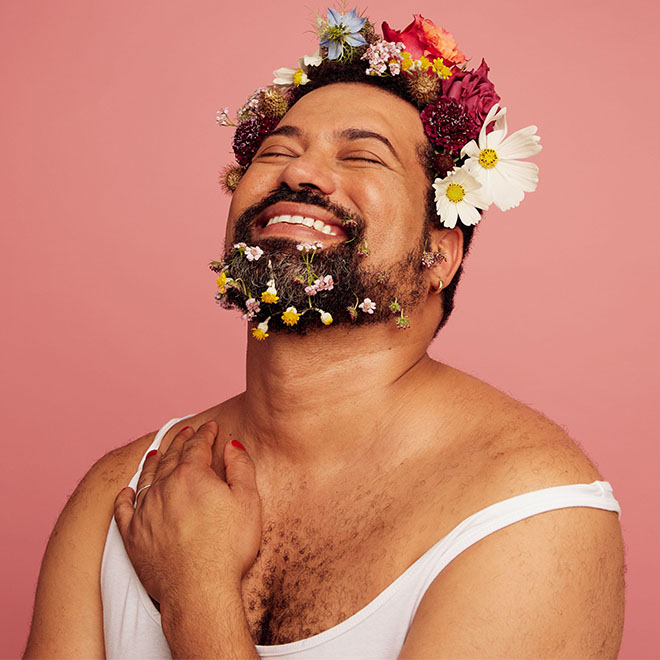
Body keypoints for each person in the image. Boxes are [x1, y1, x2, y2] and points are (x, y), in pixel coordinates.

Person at [24, 10, 624, 659]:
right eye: (275, 151)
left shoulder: (530, 511)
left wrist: (196, 590)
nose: (299, 175)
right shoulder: (124, 489)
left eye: (362, 155)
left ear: (438, 255)